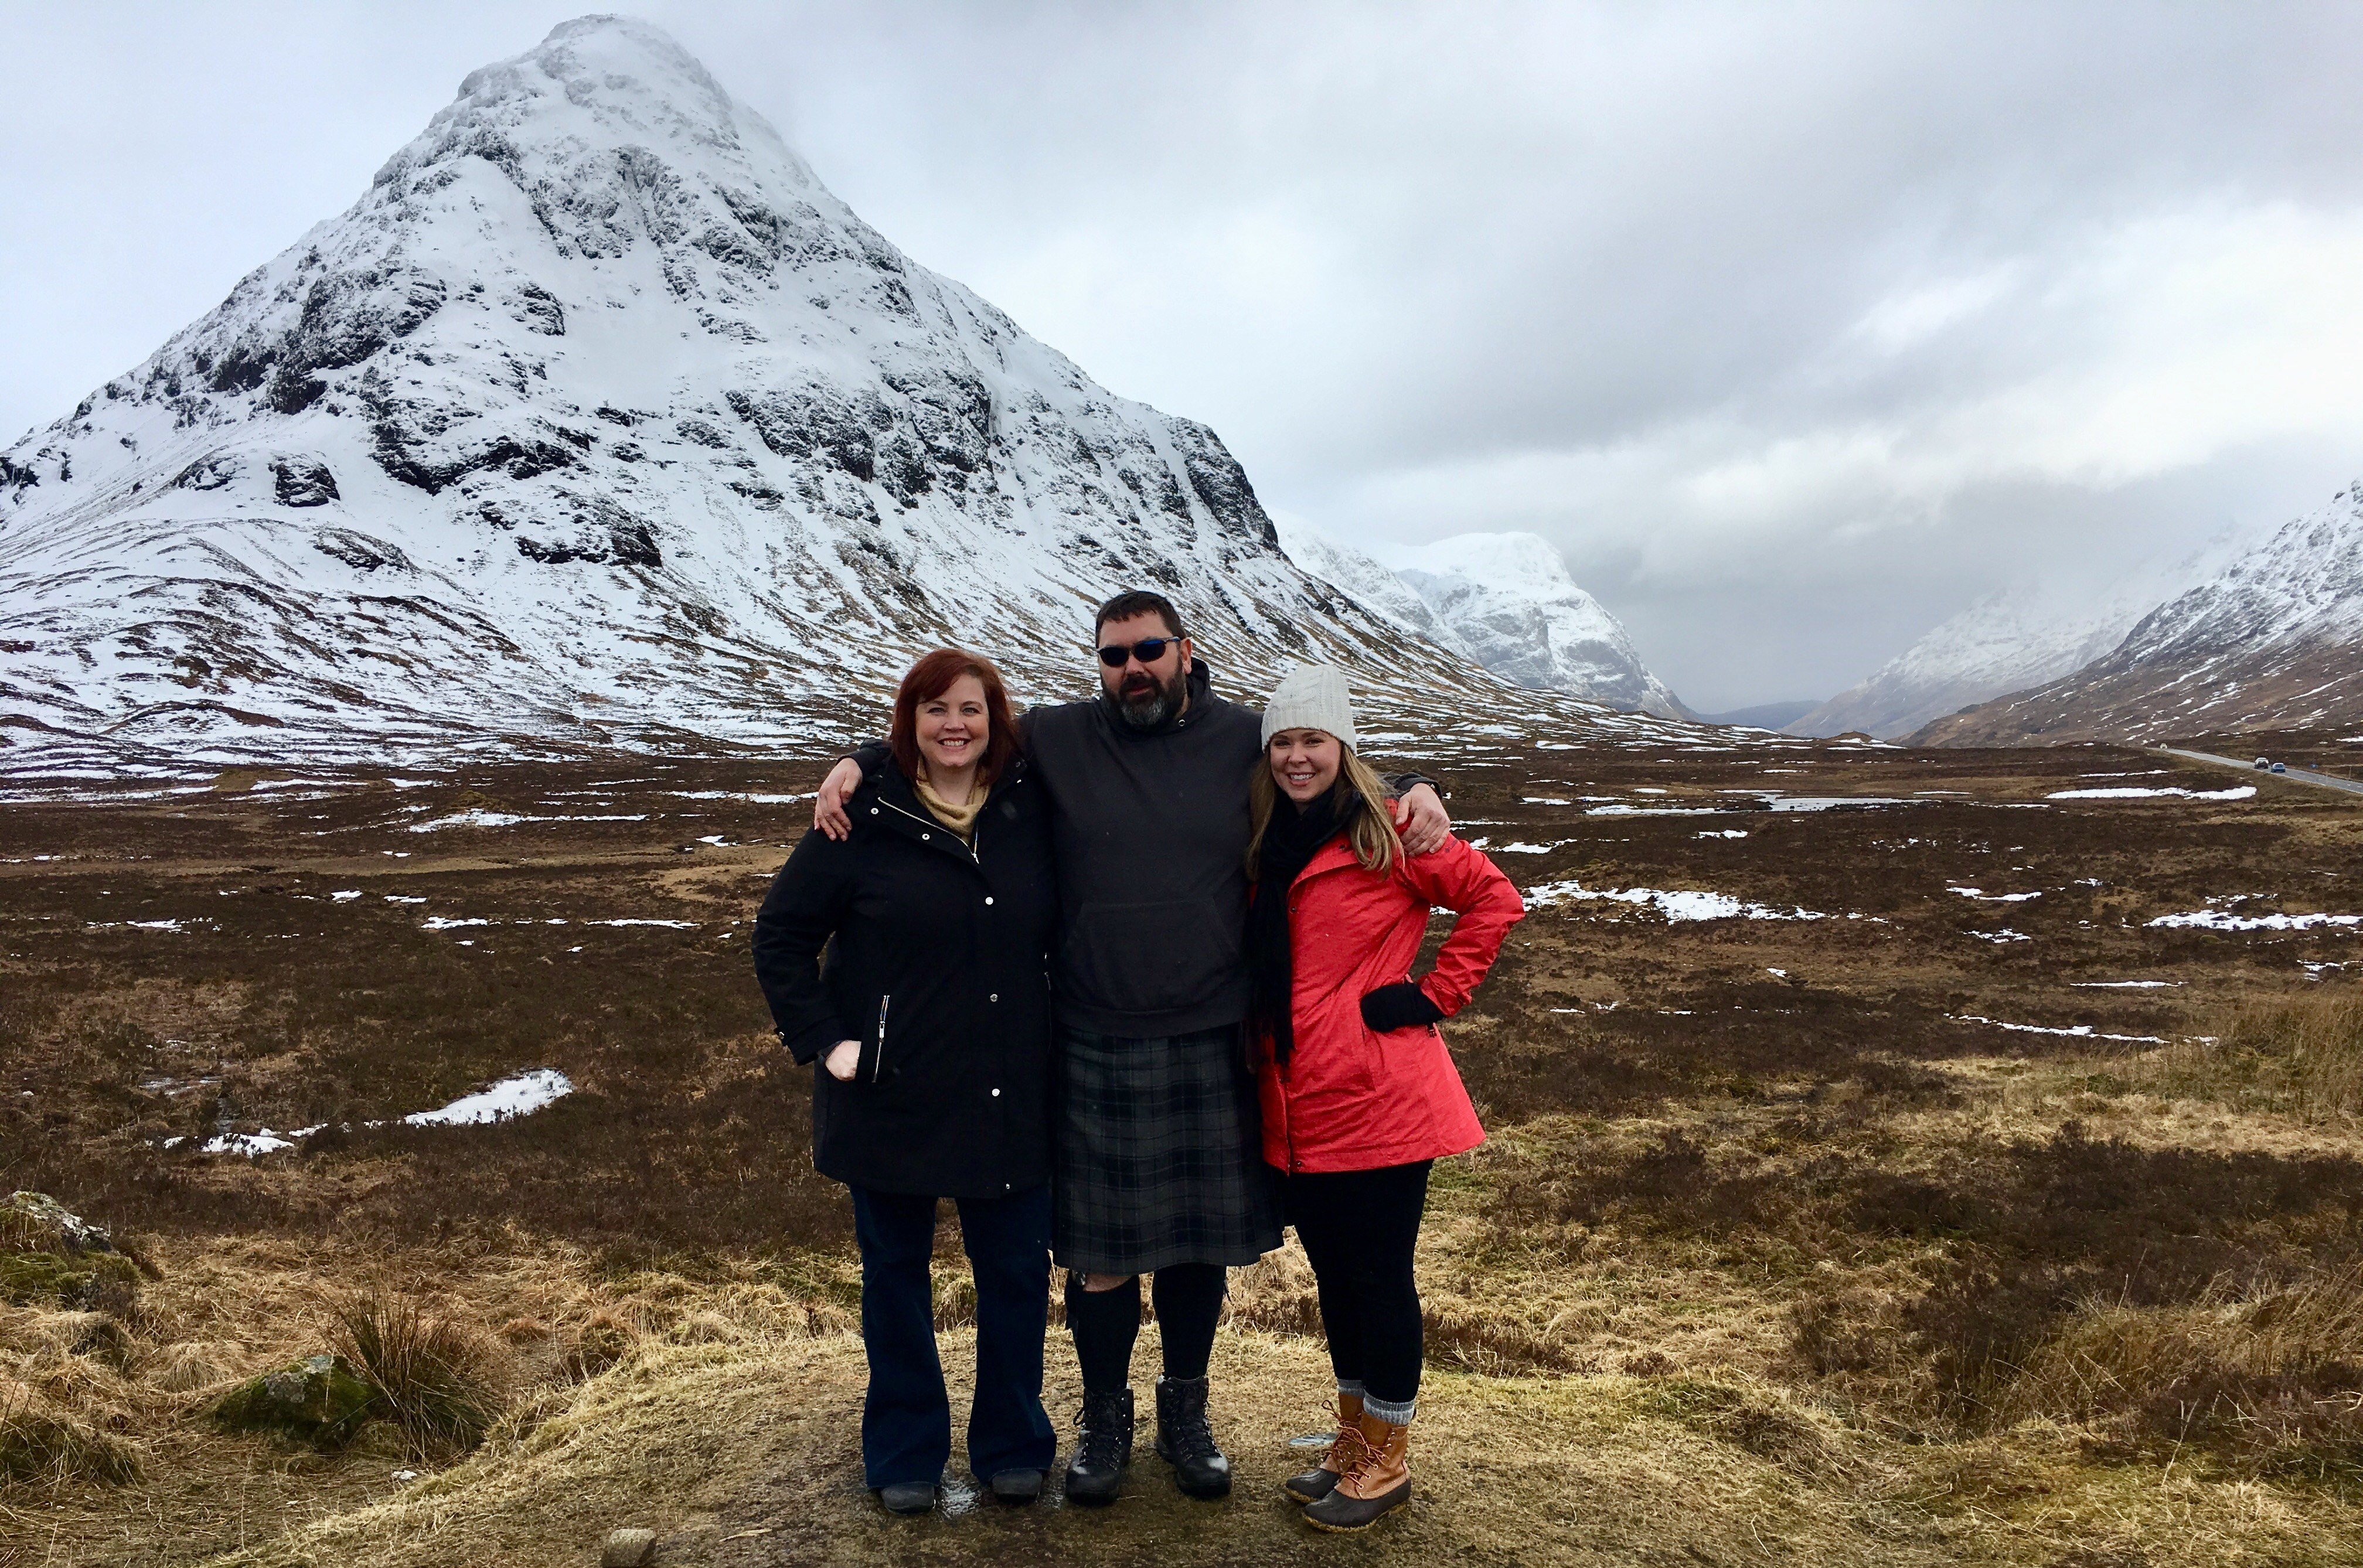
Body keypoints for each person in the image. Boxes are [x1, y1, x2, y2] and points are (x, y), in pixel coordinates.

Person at [812, 591, 1452, 1505]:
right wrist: (860, 760)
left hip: (1212, 1029)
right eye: (1114, 656)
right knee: (1102, 1253)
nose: (1133, 669)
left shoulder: (1245, 740)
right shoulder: (1059, 738)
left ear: (1186, 653)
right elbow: (957, 732)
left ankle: (1185, 1414)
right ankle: (1105, 1418)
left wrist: (1423, 787)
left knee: (1194, 1250)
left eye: (1149, 650)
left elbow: (1332, 770)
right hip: (1094, 1030)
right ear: (1099, 665)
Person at [753, 649, 1059, 1516]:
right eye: (933, 711)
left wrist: (1409, 780)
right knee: (895, 1278)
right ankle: (904, 1453)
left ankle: (1012, 1442)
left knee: (1014, 1275)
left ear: (997, 719)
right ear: (908, 724)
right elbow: (780, 934)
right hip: (890, 1093)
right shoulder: (859, 818)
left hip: (1011, 1087)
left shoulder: (1031, 803)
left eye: (970, 708)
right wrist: (824, 1040)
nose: (953, 725)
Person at [1243, 663, 1523, 1533]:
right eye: (1283, 741)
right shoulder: (1261, 835)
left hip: (1377, 1097)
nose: (1297, 757)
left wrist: (1435, 995)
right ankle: (1353, 1438)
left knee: (1380, 1277)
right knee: (1334, 1277)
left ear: (1343, 747)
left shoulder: (1390, 831)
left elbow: (1492, 898)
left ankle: (1389, 1458)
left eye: (1313, 740)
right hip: (1296, 1096)